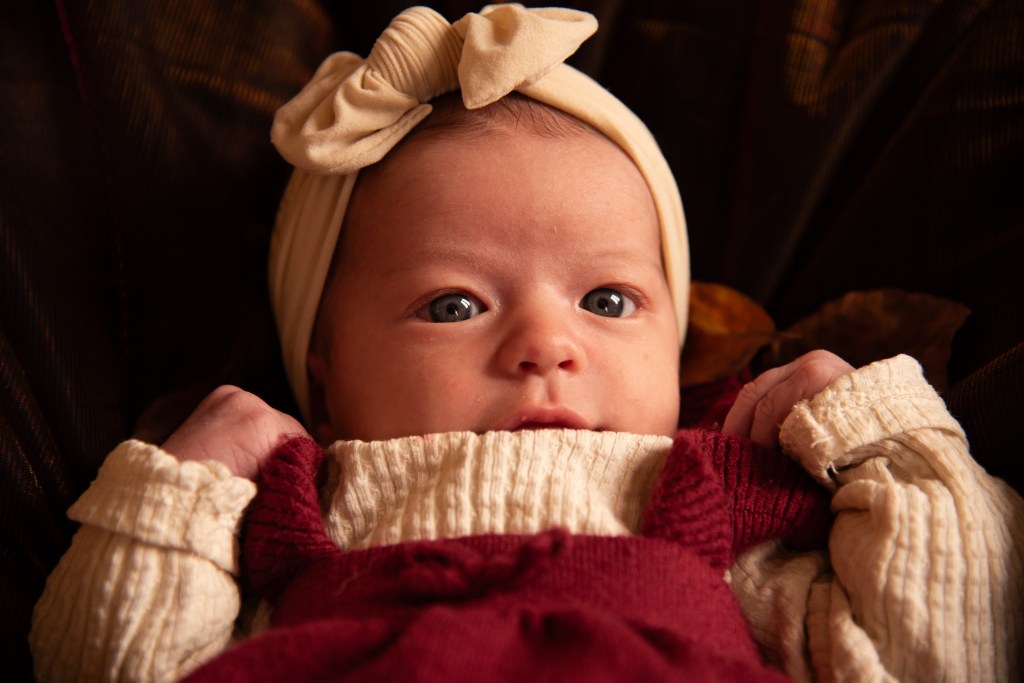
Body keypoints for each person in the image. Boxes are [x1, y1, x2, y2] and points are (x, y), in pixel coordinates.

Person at [29, 5, 1024, 682]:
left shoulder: (720, 502)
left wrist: (874, 430)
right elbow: (106, 658)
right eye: (454, 305)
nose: (546, 343)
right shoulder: (289, 521)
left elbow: (950, 640)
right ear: (324, 390)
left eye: (607, 299)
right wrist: (184, 487)